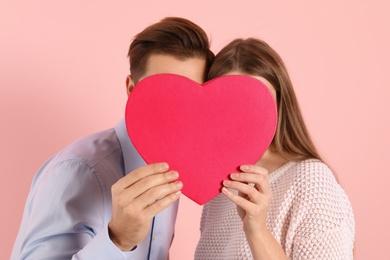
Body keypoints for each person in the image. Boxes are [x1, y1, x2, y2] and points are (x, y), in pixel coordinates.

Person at [11, 17, 214, 259]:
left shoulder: (173, 167)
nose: (175, 109)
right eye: (161, 91)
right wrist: (118, 239)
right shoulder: (76, 170)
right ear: (131, 89)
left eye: (189, 96)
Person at [194, 38, 355, 259]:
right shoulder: (219, 187)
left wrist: (257, 232)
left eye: (258, 101)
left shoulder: (312, 182)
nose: (244, 116)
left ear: (280, 104)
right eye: (229, 101)